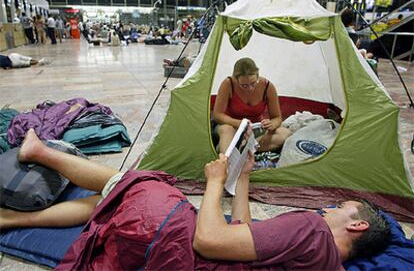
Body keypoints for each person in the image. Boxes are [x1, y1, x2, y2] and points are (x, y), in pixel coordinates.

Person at [0, 129, 391, 270]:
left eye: (338, 208)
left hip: (173, 247)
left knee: (137, 183)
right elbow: (246, 235)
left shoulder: (310, 231)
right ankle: (14, 220)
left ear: (356, 225)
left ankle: (40, 153)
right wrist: (245, 180)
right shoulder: (323, 262)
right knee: (121, 196)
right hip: (170, 255)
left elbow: (209, 240)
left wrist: (215, 184)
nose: (324, 208)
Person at [213, 57, 291, 153]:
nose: (250, 88)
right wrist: (239, 123)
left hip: (255, 129)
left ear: (257, 76)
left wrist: (272, 124)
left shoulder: (267, 86)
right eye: (244, 85)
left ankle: (242, 149)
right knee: (226, 130)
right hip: (231, 126)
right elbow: (217, 115)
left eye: (253, 83)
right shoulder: (228, 84)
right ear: (236, 80)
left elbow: (277, 118)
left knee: (285, 133)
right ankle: (226, 161)